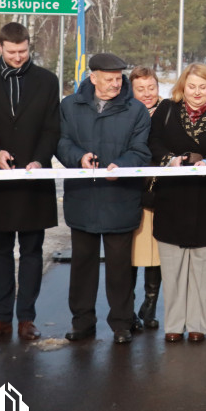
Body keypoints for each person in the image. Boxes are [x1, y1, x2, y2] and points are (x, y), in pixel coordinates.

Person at [0, 23, 60, 342]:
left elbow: (52, 127)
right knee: (1, 249)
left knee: (33, 250)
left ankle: (26, 319)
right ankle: (1, 318)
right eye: (12, 52)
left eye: (23, 51)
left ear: (29, 46)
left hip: (34, 178)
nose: (18, 57)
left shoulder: (47, 80)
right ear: (0, 47)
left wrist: (39, 159)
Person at [56, 52, 151, 345]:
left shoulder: (136, 110)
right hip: (82, 198)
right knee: (82, 267)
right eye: (109, 79)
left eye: (119, 78)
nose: (115, 84)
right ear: (93, 77)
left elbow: (141, 150)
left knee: (119, 270)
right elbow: (61, 142)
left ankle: (121, 323)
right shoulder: (70, 106)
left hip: (120, 198)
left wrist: (120, 166)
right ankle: (82, 322)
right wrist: (78, 158)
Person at [149, 64, 206, 343]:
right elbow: (154, 142)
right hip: (172, 199)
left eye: (203, 87)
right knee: (172, 269)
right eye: (192, 87)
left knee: (204, 270)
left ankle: (199, 324)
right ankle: (174, 325)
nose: (197, 92)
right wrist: (170, 160)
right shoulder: (166, 110)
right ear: (182, 87)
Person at [129, 66, 163, 330]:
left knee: (156, 255)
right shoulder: (126, 112)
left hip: (160, 194)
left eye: (151, 87)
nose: (147, 93)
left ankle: (149, 306)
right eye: (140, 89)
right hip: (131, 194)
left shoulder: (168, 112)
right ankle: (127, 308)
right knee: (130, 255)